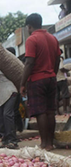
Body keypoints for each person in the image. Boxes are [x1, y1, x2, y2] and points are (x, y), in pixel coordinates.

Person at [20, 13, 61, 151]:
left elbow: (29, 62)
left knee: (40, 112)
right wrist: (53, 73)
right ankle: (50, 142)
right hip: (51, 78)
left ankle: (44, 144)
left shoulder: (32, 40)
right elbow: (57, 59)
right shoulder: (52, 38)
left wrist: (23, 83)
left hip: (37, 80)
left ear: (29, 26)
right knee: (50, 111)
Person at [56, 49, 70, 114]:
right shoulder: (59, 58)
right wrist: (67, 70)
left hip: (55, 80)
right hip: (61, 79)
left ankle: (58, 112)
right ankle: (64, 111)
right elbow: (61, 68)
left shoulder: (51, 59)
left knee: (56, 96)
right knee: (65, 95)